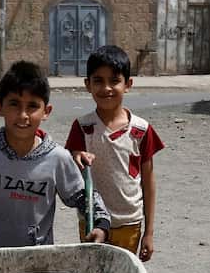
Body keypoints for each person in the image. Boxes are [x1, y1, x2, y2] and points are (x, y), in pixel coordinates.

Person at [0, 59, 111, 249]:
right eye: (14, 104)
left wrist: (101, 225)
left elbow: (84, 198)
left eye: (32, 106)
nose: (23, 115)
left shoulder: (57, 158)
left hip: (36, 258)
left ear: (46, 111)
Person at [63, 45, 165, 261]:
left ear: (127, 85)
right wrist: (76, 157)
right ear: (87, 85)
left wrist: (149, 232)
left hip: (129, 222)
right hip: (92, 220)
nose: (106, 88)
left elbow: (148, 181)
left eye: (114, 81)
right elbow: (69, 168)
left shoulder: (141, 130)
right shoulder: (82, 127)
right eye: (98, 80)